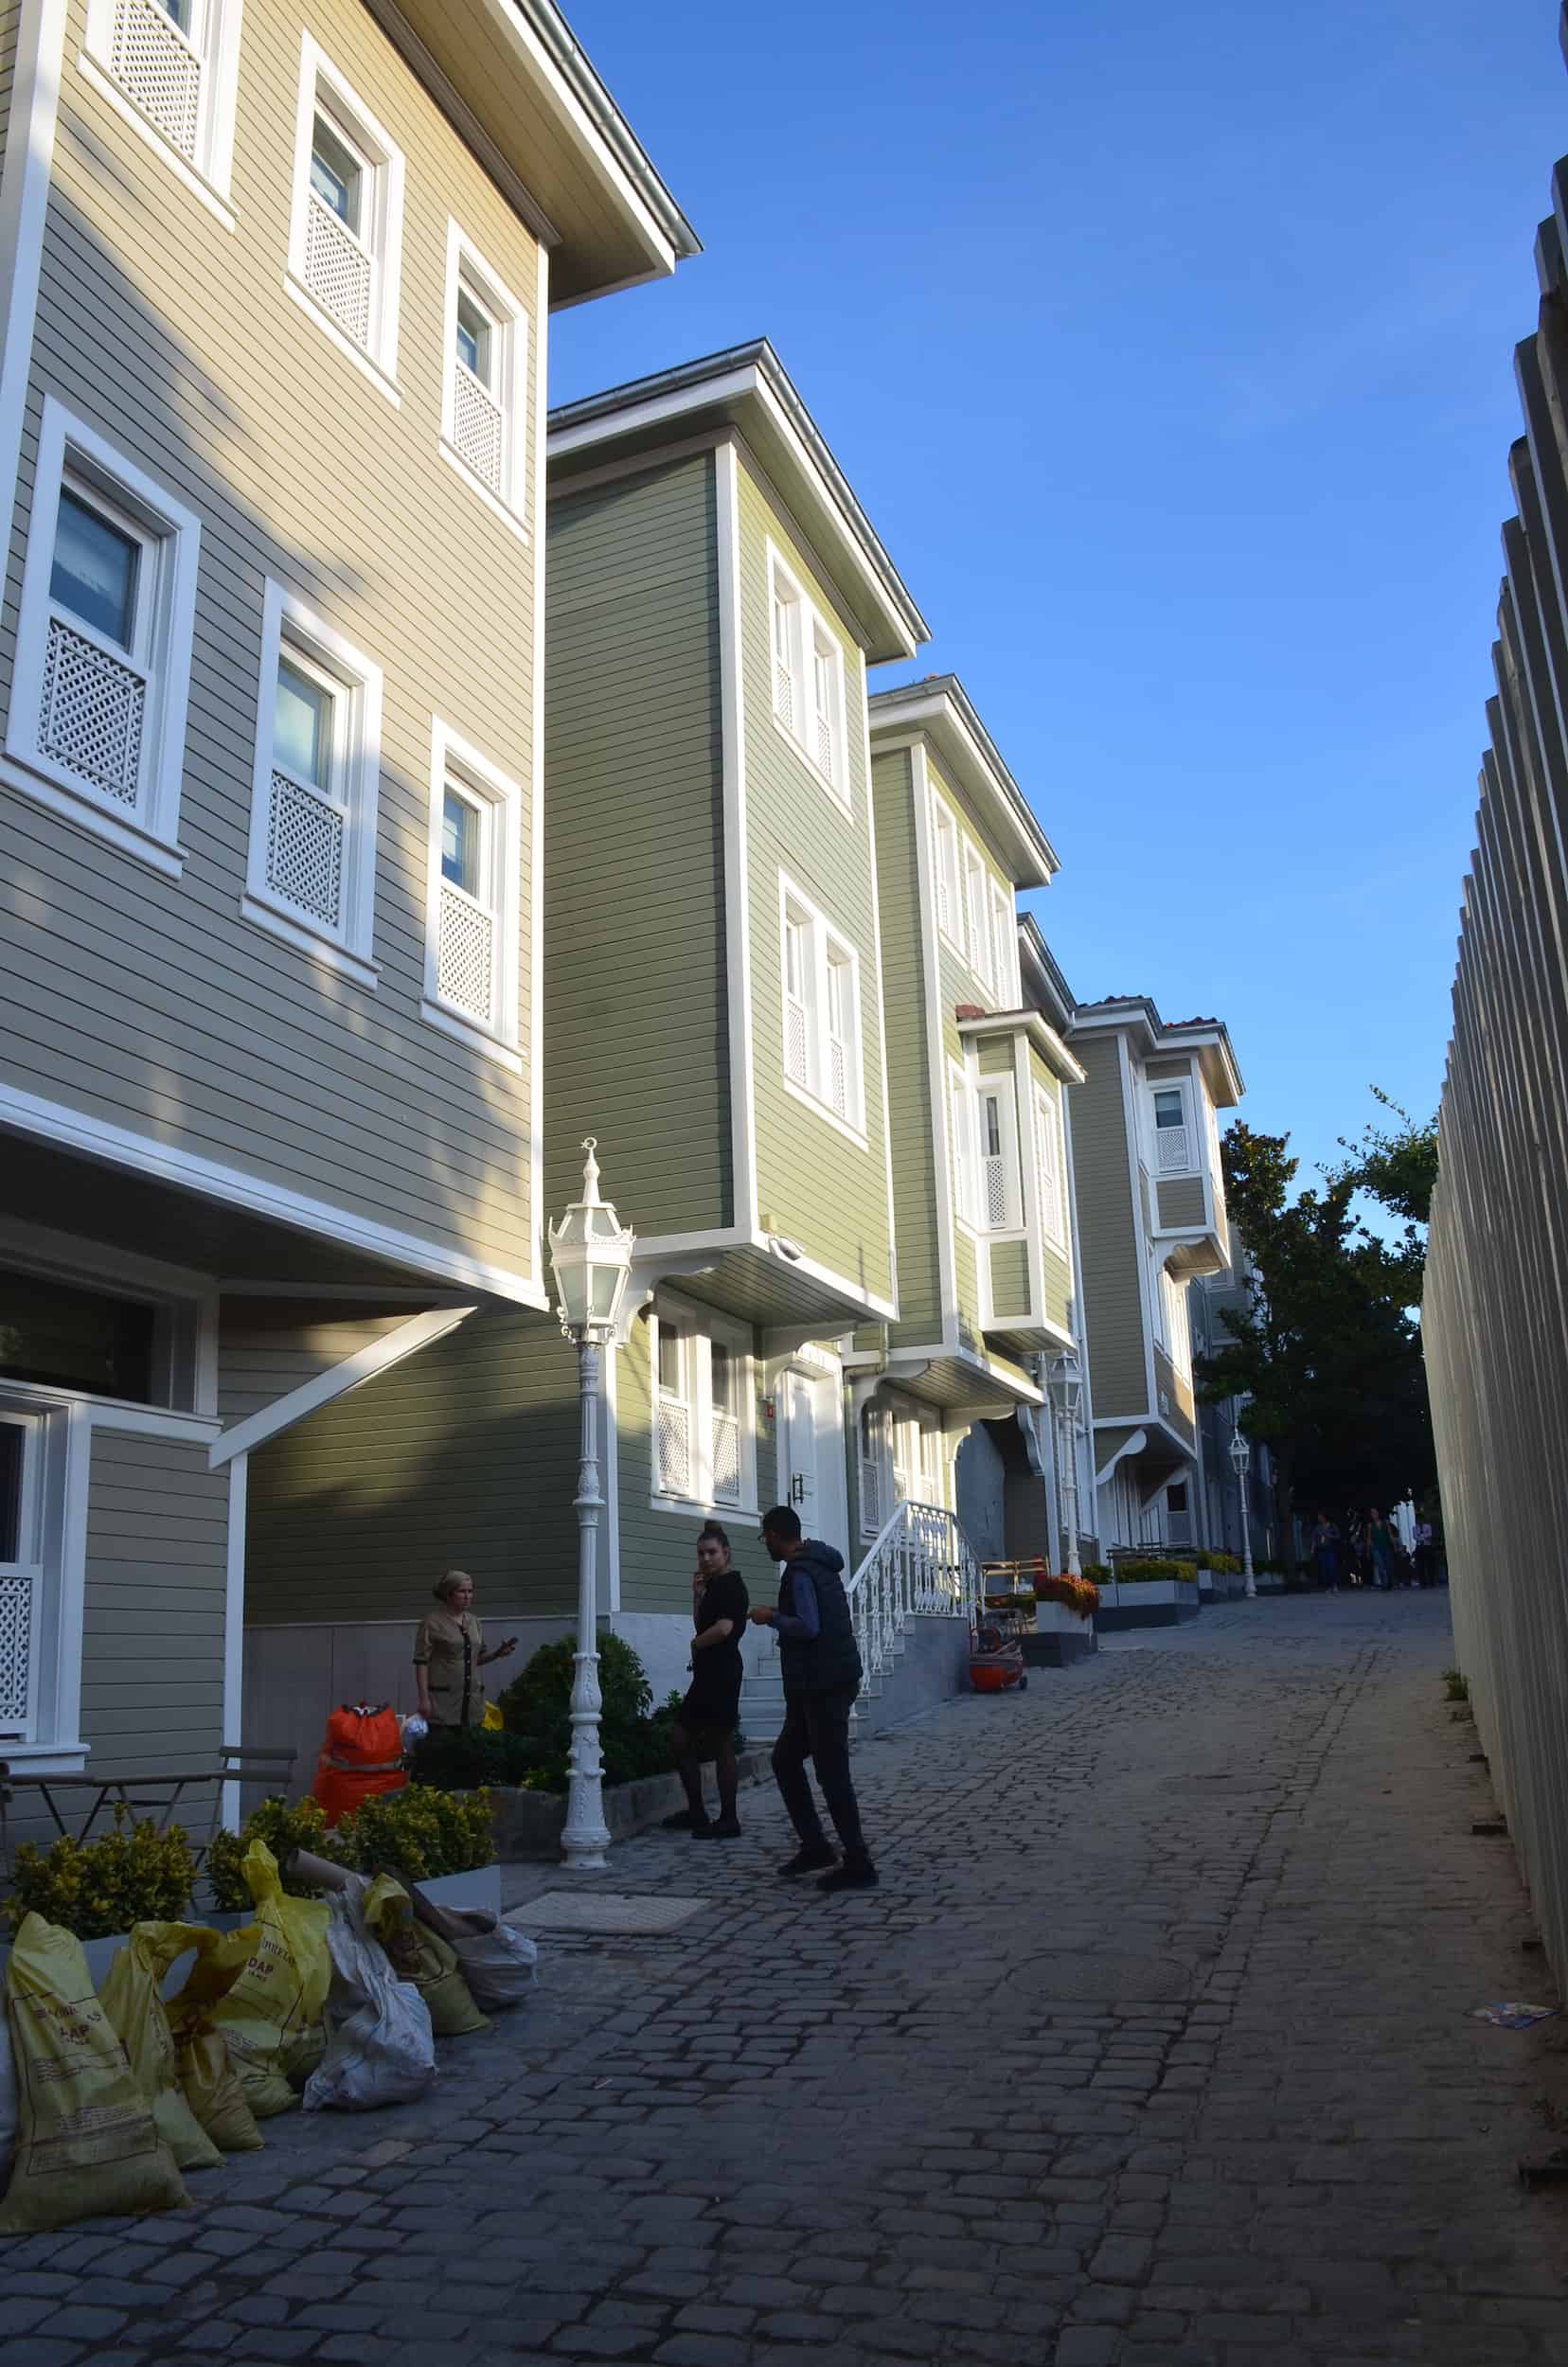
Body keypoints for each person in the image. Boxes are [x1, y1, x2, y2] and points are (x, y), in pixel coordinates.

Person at [749, 1505, 877, 1892]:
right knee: (786, 1759)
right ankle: (815, 1845)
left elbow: (807, 1626)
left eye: (764, 1537)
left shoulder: (801, 1572)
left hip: (825, 1685)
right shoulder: (821, 1562)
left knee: (832, 1773)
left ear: (773, 1535)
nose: (765, 1544)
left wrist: (769, 1616)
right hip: (819, 1683)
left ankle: (858, 1862)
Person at [662, 1521, 749, 1839]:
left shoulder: (731, 1586)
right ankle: (697, 1811)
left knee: (720, 1741)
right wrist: (697, 1596)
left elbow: (724, 1628)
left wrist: (696, 1644)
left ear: (726, 1553)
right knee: (681, 1738)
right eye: (701, 1553)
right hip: (708, 1672)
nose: (706, 1559)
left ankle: (728, 1819)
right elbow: (702, 1624)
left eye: (712, 1552)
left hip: (723, 1672)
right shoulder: (713, 1586)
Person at [413, 1571, 516, 1728]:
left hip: (472, 1701)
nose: (468, 1596)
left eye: (470, 1591)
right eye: (462, 1591)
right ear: (448, 1594)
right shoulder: (431, 1622)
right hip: (443, 1701)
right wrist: (424, 1699)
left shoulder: (474, 1621)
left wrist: (497, 1654)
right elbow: (421, 1662)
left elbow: (477, 1659)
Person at [1366, 1509, 1397, 1591]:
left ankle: (1390, 1582)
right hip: (1376, 1548)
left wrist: (1394, 1546)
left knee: (1389, 1566)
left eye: (1375, 1513)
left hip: (1386, 1546)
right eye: (1372, 1513)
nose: (1373, 1515)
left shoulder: (1385, 1523)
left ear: (1378, 1513)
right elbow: (1369, 1538)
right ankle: (1384, 1584)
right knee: (1380, 1566)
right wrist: (1368, 1550)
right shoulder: (1370, 1525)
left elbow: (1390, 1534)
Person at [1310, 1513, 1341, 1592]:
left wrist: (1331, 1536)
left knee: (1331, 1567)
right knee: (1324, 1568)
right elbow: (1314, 1539)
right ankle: (1328, 1586)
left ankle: (1334, 1585)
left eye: (1320, 1517)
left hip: (1330, 1548)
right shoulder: (1317, 1527)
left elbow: (1338, 1536)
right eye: (1318, 1517)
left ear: (1325, 1517)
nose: (1319, 1519)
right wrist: (1312, 1549)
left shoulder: (1332, 1526)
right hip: (1321, 1549)